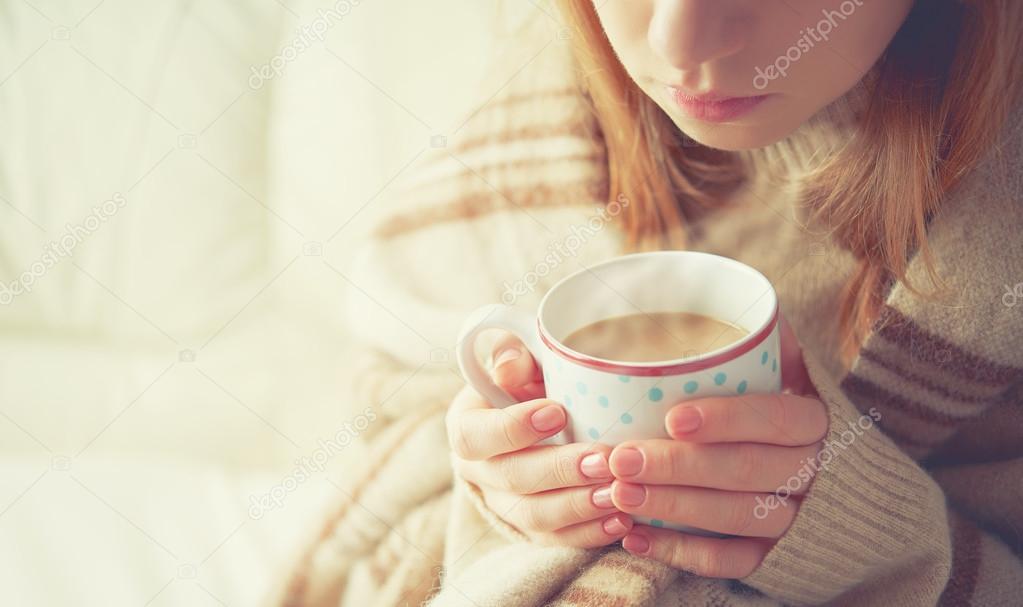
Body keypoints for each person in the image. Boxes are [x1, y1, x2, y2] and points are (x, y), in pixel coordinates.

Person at [273, 1, 1023, 605]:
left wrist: (872, 540)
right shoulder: (554, 80)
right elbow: (385, 435)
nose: (679, 39)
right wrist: (498, 488)